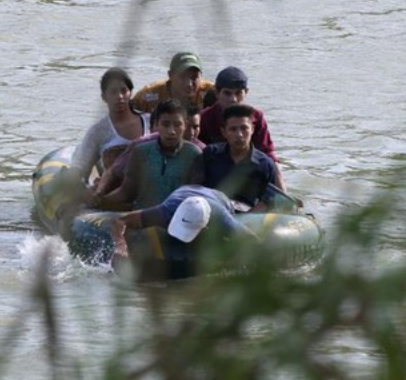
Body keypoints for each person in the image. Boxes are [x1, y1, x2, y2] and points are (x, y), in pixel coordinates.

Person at [109, 184, 258, 279]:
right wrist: (120, 246)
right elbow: (121, 221)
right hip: (185, 191)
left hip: (219, 198)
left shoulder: (222, 220)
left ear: (205, 228)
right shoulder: (165, 212)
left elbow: (253, 240)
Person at [91, 99, 201, 210]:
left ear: (185, 125)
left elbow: (195, 199)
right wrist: (99, 201)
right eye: (165, 124)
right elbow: (126, 193)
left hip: (177, 219)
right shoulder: (140, 152)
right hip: (140, 218)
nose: (171, 131)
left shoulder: (194, 155)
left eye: (177, 125)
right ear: (156, 124)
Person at [198, 66, 286, 191]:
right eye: (227, 93)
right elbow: (195, 152)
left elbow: (268, 155)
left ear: (246, 92)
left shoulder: (256, 117)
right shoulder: (205, 118)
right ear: (217, 93)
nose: (233, 99)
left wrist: (283, 194)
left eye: (238, 93)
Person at [191, 103, 280, 213]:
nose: (239, 135)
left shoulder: (265, 164)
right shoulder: (210, 154)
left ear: (252, 129)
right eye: (233, 129)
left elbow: (270, 202)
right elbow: (195, 189)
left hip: (248, 220)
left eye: (244, 128)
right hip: (212, 215)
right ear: (224, 132)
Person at [71, 67, 151, 184]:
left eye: (124, 91)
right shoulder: (98, 131)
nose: (119, 96)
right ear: (104, 97)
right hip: (113, 192)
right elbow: (79, 167)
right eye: (113, 92)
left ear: (131, 93)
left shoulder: (151, 121)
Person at [131, 52, 215, 113]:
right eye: (183, 77)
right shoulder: (147, 96)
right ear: (170, 75)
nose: (189, 84)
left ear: (201, 76)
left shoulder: (212, 92)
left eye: (194, 77)